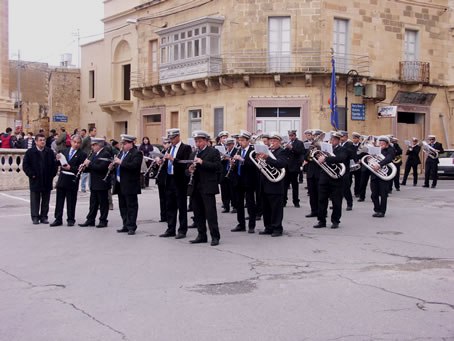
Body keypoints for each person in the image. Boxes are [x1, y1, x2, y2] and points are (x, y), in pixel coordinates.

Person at [187, 130, 222, 246]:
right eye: (196, 141)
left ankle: (215, 236)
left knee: (210, 213)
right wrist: (189, 170)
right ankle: (201, 235)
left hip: (208, 186)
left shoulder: (213, 152)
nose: (198, 144)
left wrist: (203, 162)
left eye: (200, 141)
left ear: (206, 141)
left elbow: (218, 167)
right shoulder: (193, 154)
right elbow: (187, 171)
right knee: (198, 213)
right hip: (195, 187)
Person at [159, 128, 192, 239]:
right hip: (169, 179)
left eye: (173, 138)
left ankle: (182, 230)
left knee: (181, 206)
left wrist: (173, 159)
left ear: (178, 137)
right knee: (170, 205)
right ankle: (170, 228)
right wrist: (161, 162)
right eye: (170, 139)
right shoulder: (169, 149)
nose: (171, 141)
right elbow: (166, 164)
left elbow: (185, 164)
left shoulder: (186, 148)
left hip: (180, 180)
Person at [50, 134, 87, 227]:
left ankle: (71, 219)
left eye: (78, 143)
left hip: (72, 179)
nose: (76, 144)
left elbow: (81, 168)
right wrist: (57, 159)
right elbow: (57, 163)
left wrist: (71, 168)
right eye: (75, 142)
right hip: (62, 178)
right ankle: (58, 219)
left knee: (71, 200)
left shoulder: (82, 154)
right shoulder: (64, 151)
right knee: (59, 200)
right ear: (71, 142)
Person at [255, 132, 288, 237]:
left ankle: (277, 229)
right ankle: (268, 227)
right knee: (266, 208)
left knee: (276, 209)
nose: (272, 143)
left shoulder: (282, 152)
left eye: (274, 141)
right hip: (265, 183)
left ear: (279, 142)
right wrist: (259, 160)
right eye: (271, 141)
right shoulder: (267, 151)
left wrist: (267, 158)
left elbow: (281, 164)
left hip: (276, 185)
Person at [313, 132, 347, 229]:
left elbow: (341, 158)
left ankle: (335, 221)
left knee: (336, 201)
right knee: (321, 200)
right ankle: (321, 221)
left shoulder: (342, 149)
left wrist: (326, 158)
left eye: (334, 139)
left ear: (338, 140)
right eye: (331, 139)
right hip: (324, 177)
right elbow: (317, 160)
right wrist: (319, 158)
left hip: (336, 178)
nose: (332, 141)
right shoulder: (324, 149)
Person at [22, 133, 58, 224]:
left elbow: (55, 165)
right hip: (35, 179)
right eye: (40, 140)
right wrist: (32, 175)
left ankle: (44, 217)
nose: (42, 142)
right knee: (35, 199)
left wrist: (52, 175)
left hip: (47, 179)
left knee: (46, 200)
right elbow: (25, 165)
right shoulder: (30, 152)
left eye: (44, 140)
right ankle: (35, 217)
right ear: (36, 142)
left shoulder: (49, 152)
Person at [78, 138, 113, 228]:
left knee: (103, 203)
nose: (92, 147)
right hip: (94, 182)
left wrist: (89, 164)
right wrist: (84, 167)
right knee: (93, 203)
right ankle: (90, 220)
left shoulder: (106, 154)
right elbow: (91, 168)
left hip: (102, 183)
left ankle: (103, 220)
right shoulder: (93, 154)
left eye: (94, 145)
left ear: (99, 145)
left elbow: (102, 168)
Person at [113, 135, 143, 235]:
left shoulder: (137, 153)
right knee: (122, 206)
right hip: (120, 183)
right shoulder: (121, 153)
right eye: (122, 144)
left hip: (130, 184)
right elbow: (119, 166)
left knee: (131, 206)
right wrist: (113, 166)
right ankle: (125, 224)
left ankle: (132, 226)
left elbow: (134, 166)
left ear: (131, 143)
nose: (123, 146)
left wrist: (120, 162)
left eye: (125, 144)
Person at [230, 130, 258, 233]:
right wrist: (232, 165)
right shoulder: (237, 150)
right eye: (239, 140)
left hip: (249, 180)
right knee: (239, 203)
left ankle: (251, 225)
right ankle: (241, 224)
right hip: (238, 179)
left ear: (247, 141)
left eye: (242, 140)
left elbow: (254, 165)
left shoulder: (253, 151)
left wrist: (242, 159)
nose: (240, 142)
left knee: (250, 203)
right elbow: (233, 165)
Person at [370, 136, 396, 218]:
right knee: (373, 194)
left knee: (383, 194)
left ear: (387, 144)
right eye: (380, 143)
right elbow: (370, 159)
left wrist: (379, 164)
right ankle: (377, 210)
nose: (380, 145)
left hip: (384, 175)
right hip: (375, 174)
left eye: (382, 143)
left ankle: (382, 211)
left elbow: (388, 159)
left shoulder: (390, 150)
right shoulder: (377, 150)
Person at [283, 130, 306, 208]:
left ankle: (296, 201)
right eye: (289, 136)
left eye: (292, 136)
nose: (290, 137)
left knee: (295, 185)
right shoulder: (287, 143)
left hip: (294, 166)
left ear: (295, 135)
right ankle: (284, 201)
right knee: (285, 185)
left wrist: (291, 148)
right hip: (287, 167)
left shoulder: (299, 143)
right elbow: (285, 154)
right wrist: (285, 148)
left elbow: (300, 152)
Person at [304, 129, 321, 218]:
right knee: (312, 194)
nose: (314, 138)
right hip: (311, 173)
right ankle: (313, 211)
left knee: (320, 194)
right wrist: (310, 150)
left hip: (319, 172)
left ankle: (321, 212)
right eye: (314, 136)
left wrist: (318, 149)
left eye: (316, 136)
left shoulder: (323, 146)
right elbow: (306, 158)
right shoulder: (311, 146)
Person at [220, 137, 238, 213]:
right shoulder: (225, 151)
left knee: (233, 191)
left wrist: (229, 158)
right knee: (224, 191)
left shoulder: (236, 151)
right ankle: (226, 206)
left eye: (229, 145)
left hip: (232, 174)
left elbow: (236, 161)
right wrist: (223, 158)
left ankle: (234, 206)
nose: (227, 146)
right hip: (224, 173)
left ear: (233, 144)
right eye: (226, 145)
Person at [339, 131, 354, 211]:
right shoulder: (339, 145)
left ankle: (349, 203)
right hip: (338, 168)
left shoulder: (349, 145)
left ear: (346, 137)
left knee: (346, 188)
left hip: (345, 169)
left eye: (342, 137)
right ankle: (338, 203)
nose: (340, 138)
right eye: (340, 137)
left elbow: (350, 154)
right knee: (338, 188)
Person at [80, 127, 96, 192]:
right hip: (87, 157)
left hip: (92, 157)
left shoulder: (95, 139)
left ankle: (90, 186)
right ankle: (83, 187)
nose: (95, 132)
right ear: (90, 132)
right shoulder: (86, 139)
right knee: (85, 173)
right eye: (94, 131)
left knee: (91, 173)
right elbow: (81, 147)